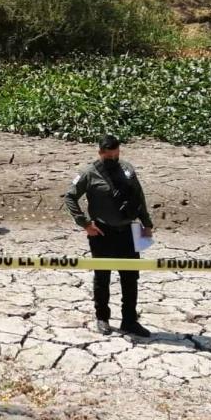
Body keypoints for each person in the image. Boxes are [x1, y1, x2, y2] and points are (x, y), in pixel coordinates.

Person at [64, 134, 154, 337]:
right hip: (102, 233)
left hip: (129, 232)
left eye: (117, 155)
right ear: (100, 153)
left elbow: (139, 197)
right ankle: (102, 318)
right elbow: (70, 196)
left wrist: (146, 224)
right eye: (109, 156)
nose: (114, 159)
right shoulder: (89, 173)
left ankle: (129, 321)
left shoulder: (127, 170)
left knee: (130, 278)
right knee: (102, 278)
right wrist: (85, 224)